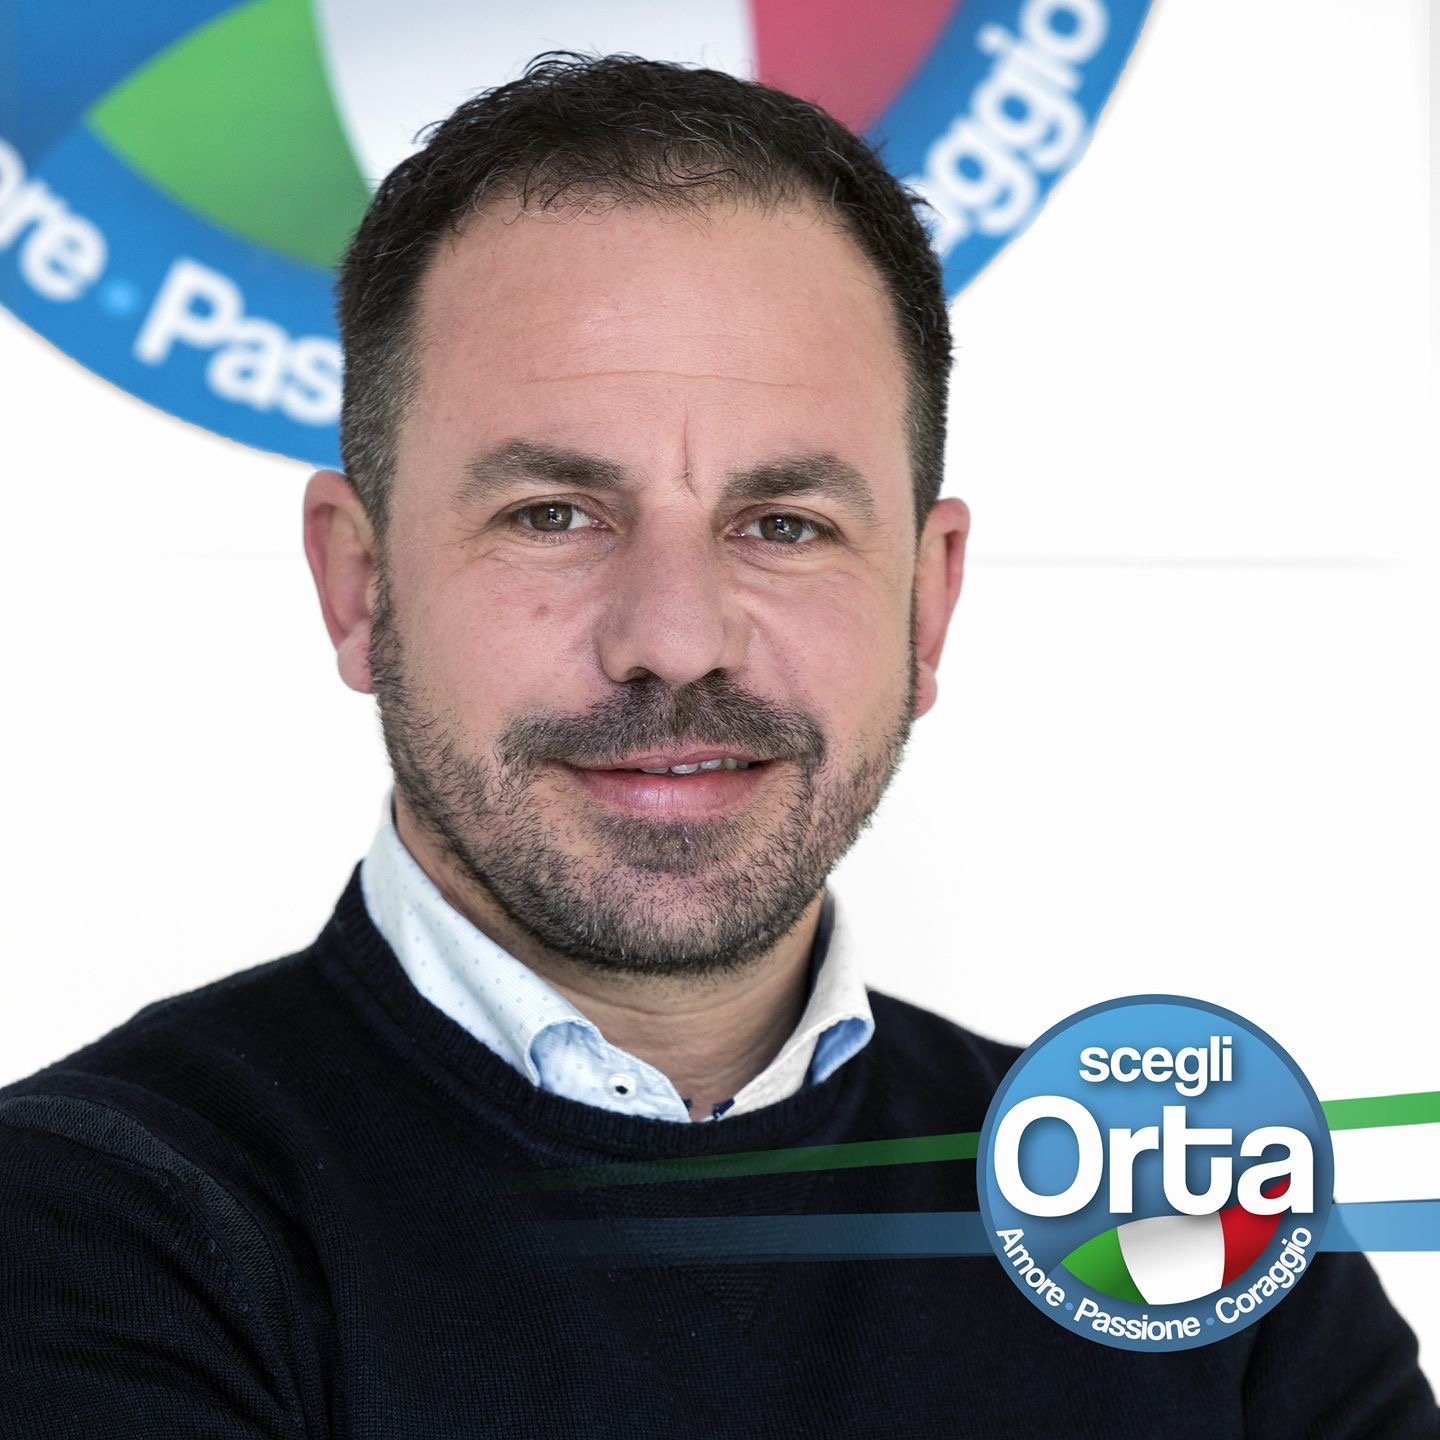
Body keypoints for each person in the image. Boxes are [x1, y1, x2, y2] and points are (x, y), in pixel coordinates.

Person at [1, 52, 1434, 1438]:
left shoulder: (1187, 1224)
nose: (677, 638)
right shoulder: (86, 1224)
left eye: (784, 525)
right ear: (360, 585)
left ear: (926, 603)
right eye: (555, 514)